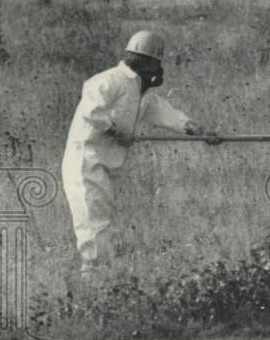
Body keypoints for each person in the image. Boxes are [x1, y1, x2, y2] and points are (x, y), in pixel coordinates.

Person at [62, 31, 220, 278]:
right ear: (140, 61)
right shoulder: (109, 80)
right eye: (153, 63)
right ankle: (92, 280)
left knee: (107, 220)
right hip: (86, 158)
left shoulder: (142, 91)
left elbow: (163, 112)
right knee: (93, 220)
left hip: (109, 161)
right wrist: (116, 132)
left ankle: (105, 277)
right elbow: (91, 112)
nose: (156, 69)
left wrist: (194, 128)